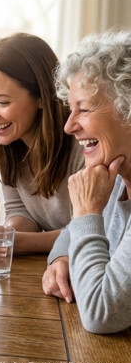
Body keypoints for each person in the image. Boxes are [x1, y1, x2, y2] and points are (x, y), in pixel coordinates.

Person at [43, 30, 131, 334]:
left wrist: (85, 211)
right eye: (71, 109)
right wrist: (62, 258)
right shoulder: (118, 179)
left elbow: (100, 314)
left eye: (85, 108)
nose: (69, 126)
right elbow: (74, 232)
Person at [0, 33, 85, 254]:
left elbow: (89, 231)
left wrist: (21, 243)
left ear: (43, 97)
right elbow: (20, 211)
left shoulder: (83, 146)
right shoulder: (9, 141)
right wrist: (8, 233)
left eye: (2, 102)